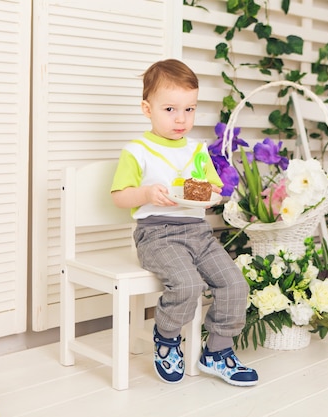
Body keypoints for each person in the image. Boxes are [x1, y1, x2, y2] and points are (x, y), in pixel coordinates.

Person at [110, 59, 258, 387]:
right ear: (147, 109)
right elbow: (119, 196)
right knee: (187, 284)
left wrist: (215, 196)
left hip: (198, 232)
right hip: (157, 234)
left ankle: (217, 351)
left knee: (235, 284)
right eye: (170, 109)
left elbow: (215, 189)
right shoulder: (137, 151)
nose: (181, 119)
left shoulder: (197, 150)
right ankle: (166, 337)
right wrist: (147, 192)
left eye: (189, 109)